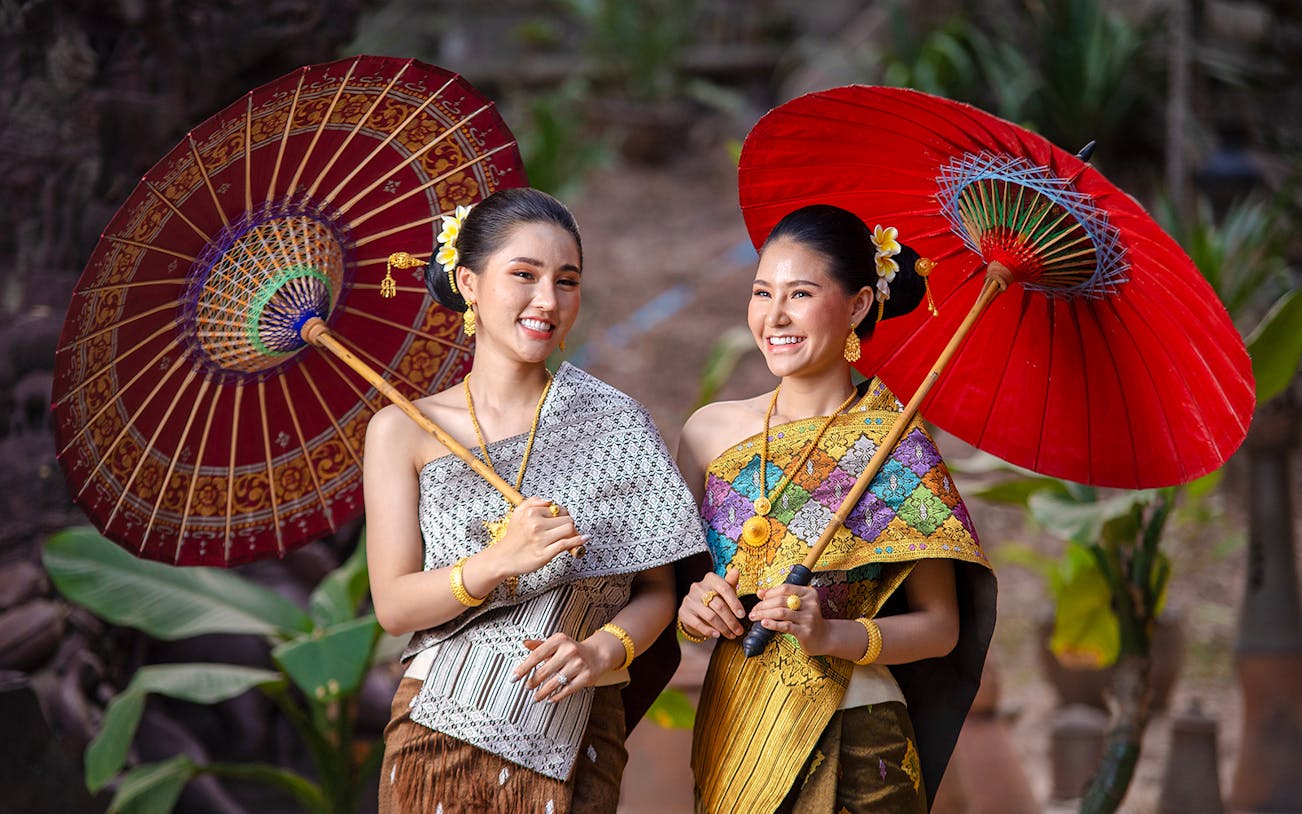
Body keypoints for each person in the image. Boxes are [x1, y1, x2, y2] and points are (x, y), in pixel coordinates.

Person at [365, 187, 707, 813]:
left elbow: (659, 590)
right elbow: (393, 605)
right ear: (468, 282)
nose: (547, 301)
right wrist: (496, 560)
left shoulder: (616, 423)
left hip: (577, 729)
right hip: (437, 733)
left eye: (567, 281)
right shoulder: (402, 430)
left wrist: (602, 649)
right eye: (523, 275)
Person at [675, 204, 996, 813]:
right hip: (735, 729)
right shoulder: (708, 433)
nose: (774, 317)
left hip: (857, 736)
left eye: (800, 293)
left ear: (857, 305)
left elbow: (940, 626)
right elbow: (675, 594)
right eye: (761, 292)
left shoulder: (892, 444)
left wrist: (832, 634)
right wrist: (695, 608)